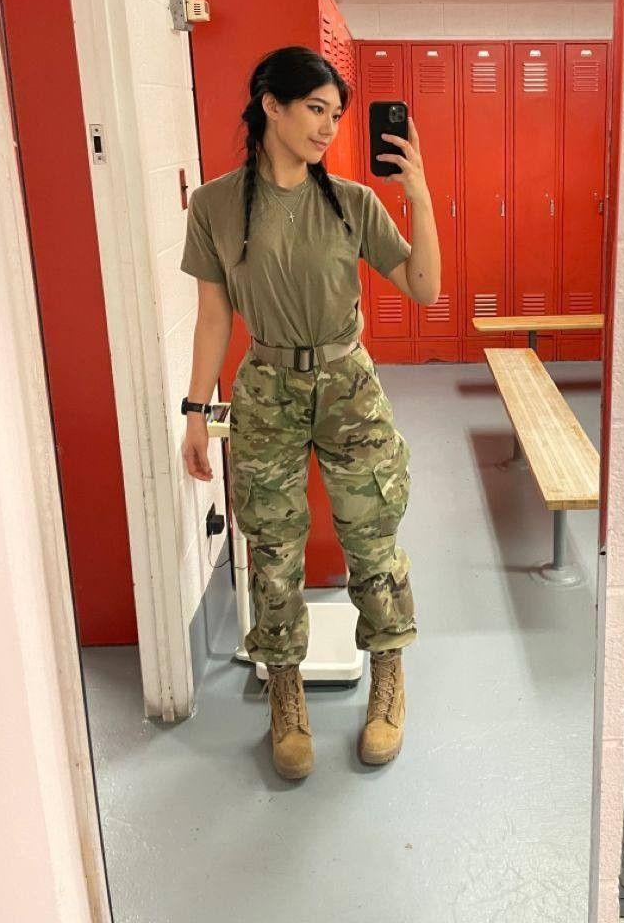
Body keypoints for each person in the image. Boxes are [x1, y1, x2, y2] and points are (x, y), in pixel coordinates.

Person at [179, 45, 440, 779]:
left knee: (372, 536)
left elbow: (424, 287)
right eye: (316, 109)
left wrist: (418, 195)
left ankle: (387, 671)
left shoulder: (352, 202)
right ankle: (285, 689)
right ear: (272, 105)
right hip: (267, 388)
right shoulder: (215, 205)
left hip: (347, 385)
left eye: (336, 114)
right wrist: (195, 410)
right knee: (272, 547)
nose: (329, 127)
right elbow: (212, 316)